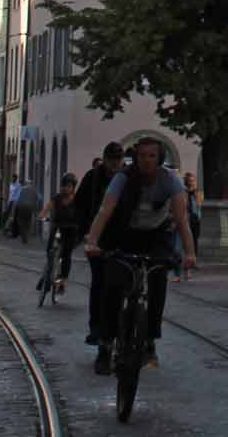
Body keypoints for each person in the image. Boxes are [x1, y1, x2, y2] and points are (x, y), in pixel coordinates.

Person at [82, 138, 195, 376]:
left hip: (156, 235)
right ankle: (105, 345)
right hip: (122, 232)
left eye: (152, 156)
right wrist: (92, 242)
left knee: (157, 281)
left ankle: (150, 340)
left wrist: (189, 253)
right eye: (142, 155)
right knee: (112, 285)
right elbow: (105, 210)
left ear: (160, 159)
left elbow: (182, 218)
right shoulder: (123, 178)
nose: (146, 160)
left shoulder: (170, 180)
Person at [72, 142, 125, 347]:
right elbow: (80, 206)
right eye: (111, 160)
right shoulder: (92, 178)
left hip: (120, 238)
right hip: (97, 238)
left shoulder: (126, 178)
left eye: (118, 160)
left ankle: (121, 325)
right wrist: (86, 232)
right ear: (105, 159)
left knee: (121, 284)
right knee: (99, 283)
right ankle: (96, 328)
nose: (114, 164)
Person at [176, 170, 202, 281]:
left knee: (193, 243)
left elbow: (199, 205)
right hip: (185, 221)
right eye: (190, 181)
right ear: (186, 182)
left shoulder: (197, 192)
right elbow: (182, 206)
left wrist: (195, 193)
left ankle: (189, 267)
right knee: (179, 247)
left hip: (195, 221)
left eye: (193, 180)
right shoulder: (183, 192)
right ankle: (180, 272)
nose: (192, 182)